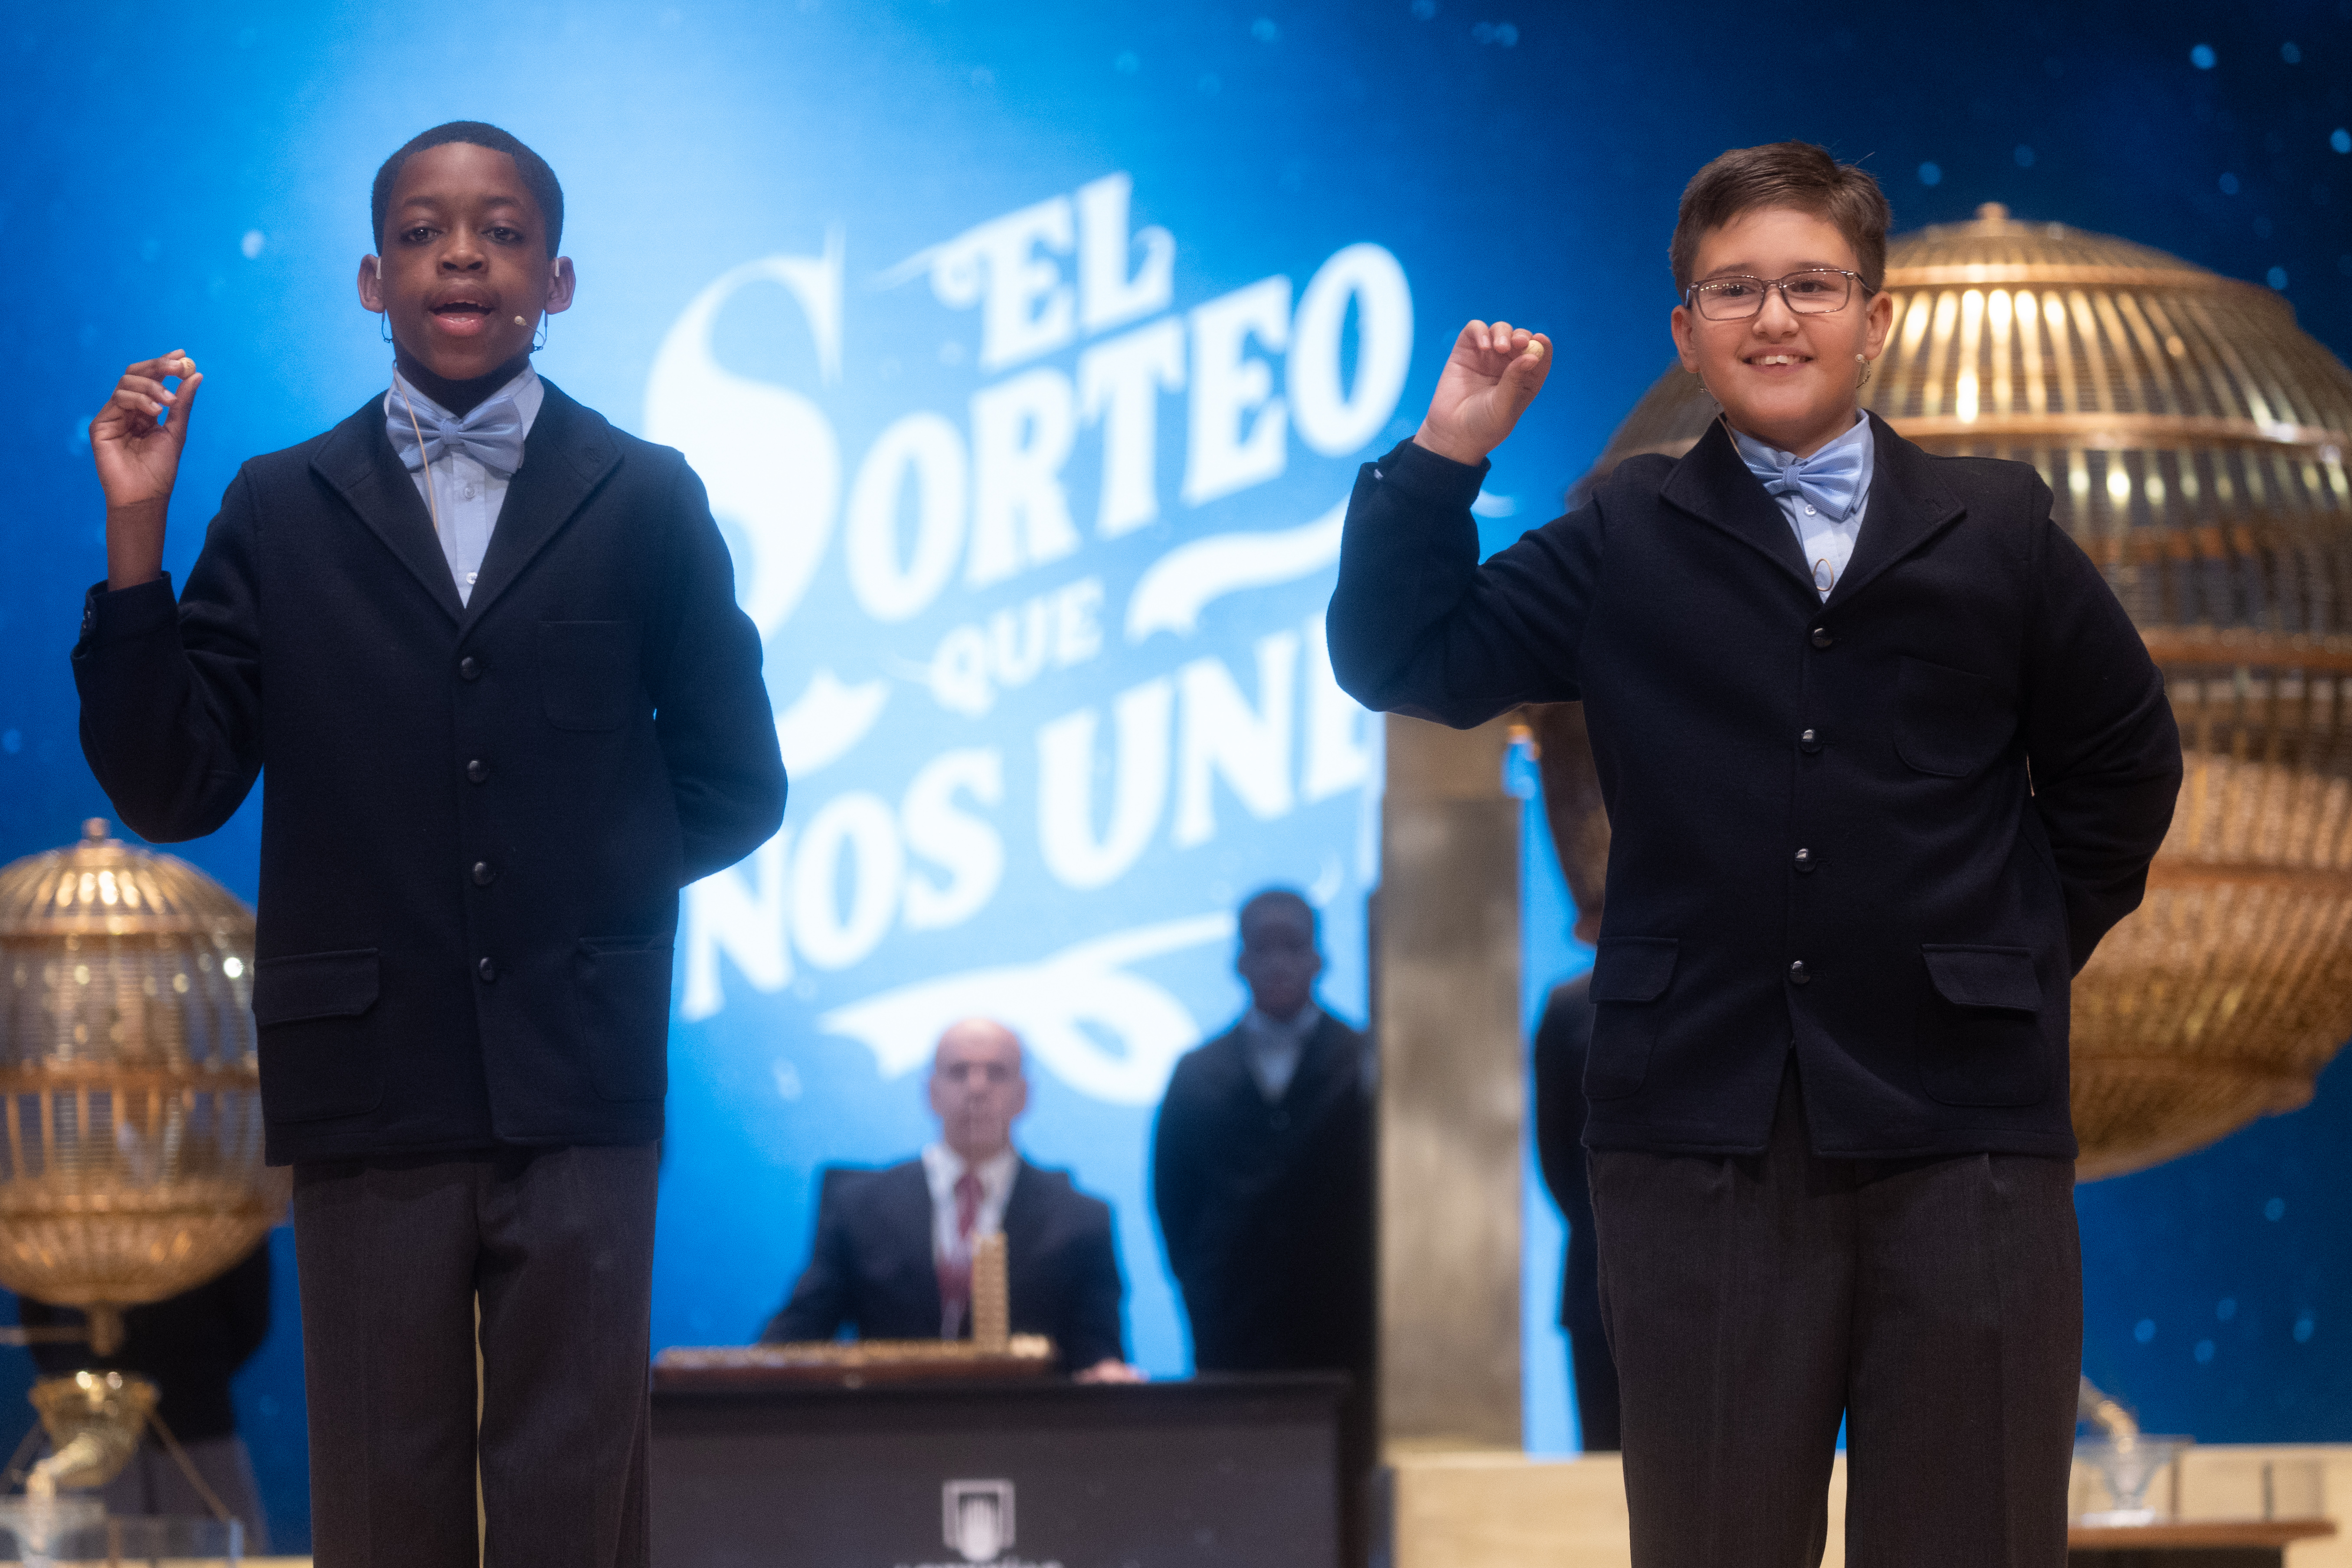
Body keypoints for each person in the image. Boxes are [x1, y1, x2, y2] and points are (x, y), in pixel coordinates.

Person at [1326, 141, 2181, 1566]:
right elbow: (1402, 656)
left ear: (1876, 317)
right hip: (1695, 1129)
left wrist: (2011, 950)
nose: (1774, 319)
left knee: (1973, 1535)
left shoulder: (2003, 529)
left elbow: (2124, 768)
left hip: (1960, 1128)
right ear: (1686, 332)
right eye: (1734, 291)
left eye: (1809, 286)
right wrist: (1447, 453)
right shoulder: (1622, 526)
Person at [72, 121, 785, 1568]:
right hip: (367, 1079)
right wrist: (135, 539)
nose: (462, 252)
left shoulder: (646, 495)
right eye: (423, 228)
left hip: (580, 1080)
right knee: (382, 1503)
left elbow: (737, 780)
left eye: (502, 228)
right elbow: (172, 784)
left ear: (560, 277)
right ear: (369, 276)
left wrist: (584, 888)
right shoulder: (276, 505)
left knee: (576, 1499)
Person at [1151, 889, 1375, 1560]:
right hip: (1233, 1337)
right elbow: (1172, 1200)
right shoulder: (1195, 1074)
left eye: (1293, 943)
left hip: (1348, 1336)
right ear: (1237, 960)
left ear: (1320, 957)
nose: (1277, 960)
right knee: (1237, 1507)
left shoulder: (1367, 1061)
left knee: (1345, 1507)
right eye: (1261, 945)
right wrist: (1205, 1291)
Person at [765, 1018, 1137, 1381]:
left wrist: (1107, 1374)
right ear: (931, 1091)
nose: (977, 1087)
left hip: (1026, 1432)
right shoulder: (859, 1207)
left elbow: (1098, 1351)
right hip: (889, 1430)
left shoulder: (1081, 1218)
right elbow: (798, 1336)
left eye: (996, 1072)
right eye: (959, 1072)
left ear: (1024, 1094)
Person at [19, 1245, 274, 1547]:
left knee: (219, 1548)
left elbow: (248, 1306)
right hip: (85, 1431)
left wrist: (195, 1371)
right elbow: (34, 1302)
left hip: (195, 1425)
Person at [1531, 968, 1619, 1454]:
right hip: (1597, 1261)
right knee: (1603, 1458)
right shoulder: (1569, 1004)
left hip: (1721, 1267)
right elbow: (1554, 1153)